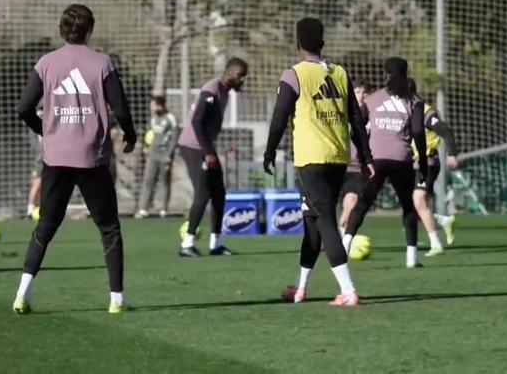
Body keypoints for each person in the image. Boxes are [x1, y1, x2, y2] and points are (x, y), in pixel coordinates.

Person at [13, 4, 136, 314]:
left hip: (55, 159)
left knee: (45, 226)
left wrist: (46, 131)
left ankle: (21, 295)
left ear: (62, 29)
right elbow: (120, 109)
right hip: (92, 158)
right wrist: (131, 135)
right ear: (90, 29)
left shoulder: (46, 63)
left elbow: (24, 107)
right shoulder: (102, 63)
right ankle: (116, 301)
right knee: (108, 228)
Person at [264, 17, 373, 307]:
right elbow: (356, 118)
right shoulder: (340, 73)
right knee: (312, 222)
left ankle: (348, 291)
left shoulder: (294, 74)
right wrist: (365, 156)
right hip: (338, 157)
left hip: (311, 159)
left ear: (298, 43)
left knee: (324, 219)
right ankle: (300, 288)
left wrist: (269, 151)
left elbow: (278, 119)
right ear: (322, 42)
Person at [342, 57, 428, 269]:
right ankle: (411, 258)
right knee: (408, 208)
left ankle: (343, 248)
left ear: (385, 74)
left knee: (362, 204)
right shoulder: (415, 101)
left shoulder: (373, 99)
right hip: (402, 160)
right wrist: (423, 161)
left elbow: (356, 128)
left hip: (376, 160)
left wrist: (364, 155)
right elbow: (418, 131)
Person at [176, 57, 249, 257]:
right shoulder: (212, 88)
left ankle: (215, 244)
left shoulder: (225, 91)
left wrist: (209, 149)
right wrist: (208, 153)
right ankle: (187, 244)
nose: (242, 80)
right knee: (203, 192)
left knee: (219, 192)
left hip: (205, 147)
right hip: (193, 146)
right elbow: (197, 122)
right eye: (240, 76)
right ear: (230, 73)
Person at [408, 78, 459, 254]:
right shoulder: (404, 112)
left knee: (418, 200)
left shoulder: (425, 112)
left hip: (427, 163)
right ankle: (443, 221)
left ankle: (435, 244)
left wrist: (452, 153)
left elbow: (446, 130)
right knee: (412, 208)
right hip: (410, 165)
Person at [137, 95, 179, 218]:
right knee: (148, 180)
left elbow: (174, 137)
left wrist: (169, 155)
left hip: (165, 155)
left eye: (153, 105)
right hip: (153, 154)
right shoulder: (153, 119)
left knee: (164, 182)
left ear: (160, 105)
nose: (152, 108)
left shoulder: (171, 118)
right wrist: (146, 146)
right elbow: (150, 134)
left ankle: (163, 209)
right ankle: (144, 208)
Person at [338, 79, 371, 233]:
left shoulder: (374, 117)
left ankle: (342, 233)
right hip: (337, 165)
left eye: (364, 92)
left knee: (351, 201)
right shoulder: (341, 113)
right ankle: (335, 234)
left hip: (357, 167)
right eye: (357, 92)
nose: (361, 96)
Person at [26, 108, 43, 219]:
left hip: (52, 154)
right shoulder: (37, 118)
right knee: (37, 183)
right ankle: (30, 210)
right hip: (42, 157)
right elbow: (34, 142)